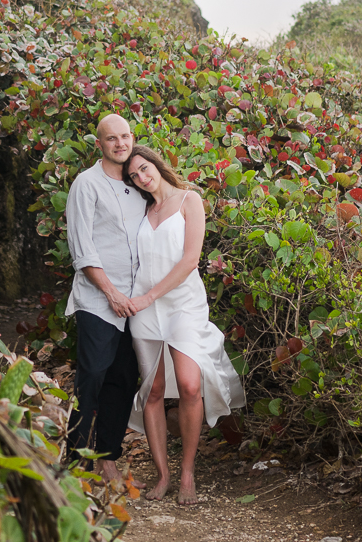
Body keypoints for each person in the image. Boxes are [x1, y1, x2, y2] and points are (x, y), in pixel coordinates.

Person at [123, 145, 245, 505]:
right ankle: (163, 475)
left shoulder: (190, 201)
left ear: (157, 165)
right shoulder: (141, 209)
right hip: (145, 310)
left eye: (145, 169)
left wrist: (149, 296)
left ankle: (187, 472)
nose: (142, 177)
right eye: (134, 175)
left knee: (191, 386)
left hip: (183, 306)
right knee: (153, 390)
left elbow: (191, 260)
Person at [63, 113, 148, 486]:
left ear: (132, 138)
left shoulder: (139, 184)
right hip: (98, 301)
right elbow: (82, 250)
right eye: (111, 139)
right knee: (93, 376)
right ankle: (76, 460)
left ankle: (107, 457)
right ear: (99, 144)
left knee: (124, 379)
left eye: (125, 136)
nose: (120, 144)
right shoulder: (86, 184)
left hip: (137, 303)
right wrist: (111, 294)